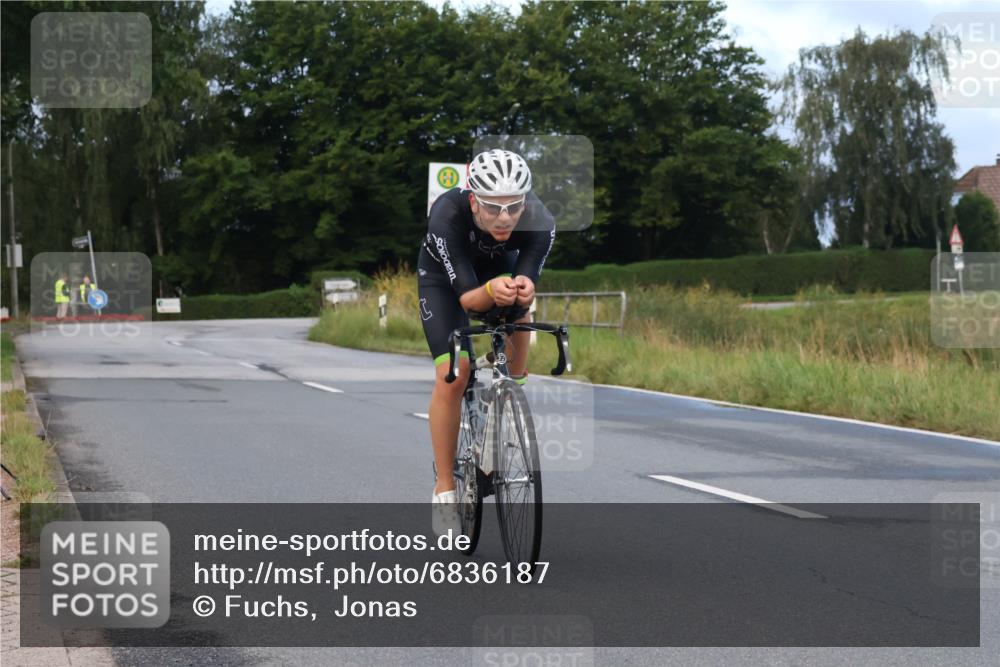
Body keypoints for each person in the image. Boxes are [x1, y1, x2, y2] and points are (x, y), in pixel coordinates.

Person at [417, 149, 555, 534]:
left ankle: (509, 393)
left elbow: (526, 279)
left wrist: (522, 289)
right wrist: (492, 289)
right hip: (445, 283)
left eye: (514, 207)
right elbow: (468, 300)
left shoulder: (541, 221)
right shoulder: (446, 213)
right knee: (455, 372)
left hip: (497, 273)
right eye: (493, 207)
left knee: (521, 315)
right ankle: (445, 485)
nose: (505, 217)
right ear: (474, 199)